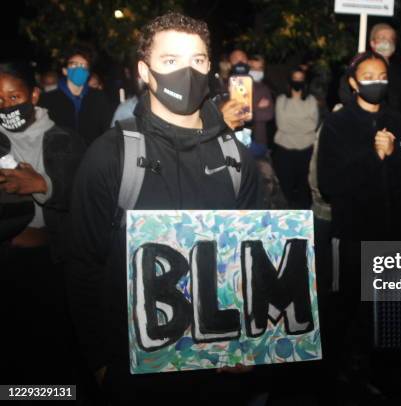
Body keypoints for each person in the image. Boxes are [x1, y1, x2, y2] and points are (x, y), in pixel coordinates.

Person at [65, 12, 263, 404]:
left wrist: (248, 340)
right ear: (145, 70)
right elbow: (83, 265)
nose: (187, 72)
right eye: (170, 61)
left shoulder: (237, 157)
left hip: (217, 369)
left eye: (199, 61)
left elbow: (249, 260)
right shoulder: (109, 155)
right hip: (136, 374)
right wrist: (101, 362)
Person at [317, 51, 401, 401]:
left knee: (389, 310)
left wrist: (396, 154)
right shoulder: (337, 124)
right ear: (353, 82)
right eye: (367, 76)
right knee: (347, 311)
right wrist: (372, 156)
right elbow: (328, 183)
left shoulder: (399, 121)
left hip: (394, 235)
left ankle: (384, 374)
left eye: (382, 76)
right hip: (353, 236)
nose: (376, 82)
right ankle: (341, 378)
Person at [0, 60, 84, 384]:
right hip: (6, 267)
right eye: (0, 101)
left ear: (34, 95)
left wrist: (42, 185)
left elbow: (84, 199)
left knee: (51, 361)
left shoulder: (66, 141)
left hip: (51, 269)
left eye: (14, 97)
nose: (7, 106)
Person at [39, 44, 112, 147]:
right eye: (74, 65)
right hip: (59, 160)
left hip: (92, 158)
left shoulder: (98, 98)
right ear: (65, 70)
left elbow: (107, 131)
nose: (79, 69)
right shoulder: (48, 100)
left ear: (88, 73)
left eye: (84, 66)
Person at [273, 67, 318, 209]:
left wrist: (293, 123)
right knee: (285, 186)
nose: (297, 81)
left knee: (304, 187)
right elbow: (282, 125)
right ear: (289, 81)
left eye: (301, 79)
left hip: (306, 149)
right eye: (295, 78)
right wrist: (303, 123)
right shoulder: (281, 100)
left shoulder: (311, 100)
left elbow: (313, 125)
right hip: (284, 149)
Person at [247, 54, 275, 158]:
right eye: (253, 68)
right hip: (239, 139)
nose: (256, 71)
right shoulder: (238, 85)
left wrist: (248, 112)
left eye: (259, 68)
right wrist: (257, 107)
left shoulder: (264, 89)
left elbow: (269, 114)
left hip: (259, 141)